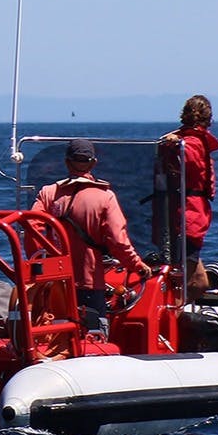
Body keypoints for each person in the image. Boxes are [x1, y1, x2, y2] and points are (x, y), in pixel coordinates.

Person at [32, 139, 151, 328]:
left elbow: (32, 229)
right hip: (88, 284)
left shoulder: (47, 194)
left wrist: (42, 266)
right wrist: (137, 266)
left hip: (54, 282)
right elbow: (118, 242)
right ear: (93, 163)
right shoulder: (105, 197)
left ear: (67, 162)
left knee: (56, 334)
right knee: (95, 336)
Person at [160, 95, 218, 300]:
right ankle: (170, 322)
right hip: (188, 217)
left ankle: (177, 318)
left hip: (191, 215)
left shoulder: (188, 142)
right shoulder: (190, 144)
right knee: (183, 282)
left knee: (200, 282)